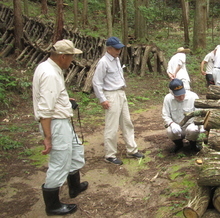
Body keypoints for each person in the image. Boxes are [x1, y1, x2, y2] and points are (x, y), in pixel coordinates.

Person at [32, 39, 88, 216]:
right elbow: (45, 109)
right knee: (59, 161)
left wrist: (65, 101)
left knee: (75, 150)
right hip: (55, 124)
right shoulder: (50, 74)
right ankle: (53, 205)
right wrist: (48, 137)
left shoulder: (48, 68)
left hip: (60, 120)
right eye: (71, 57)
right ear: (63, 56)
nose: (72, 61)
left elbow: (51, 96)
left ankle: (74, 187)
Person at [92, 36, 144, 165]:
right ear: (108, 49)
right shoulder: (103, 62)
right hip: (111, 95)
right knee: (112, 126)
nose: (118, 51)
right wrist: (102, 99)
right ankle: (110, 155)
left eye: (119, 49)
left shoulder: (116, 59)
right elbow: (96, 82)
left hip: (121, 93)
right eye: (116, 49)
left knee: (127, 122)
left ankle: (132, 150)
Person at [162, 79, 202, 153]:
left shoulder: (193, 96)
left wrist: (199, 125)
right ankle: (179, 144)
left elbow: (199, 113)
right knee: (169, 131)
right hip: (176, 125)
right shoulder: (168, 99)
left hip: (191, 124)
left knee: (193, 130)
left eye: (182, 94)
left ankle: (193, 144)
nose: (181, 97)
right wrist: (172, 124)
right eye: (178, 96)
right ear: (172, 93)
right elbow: (165, 115)